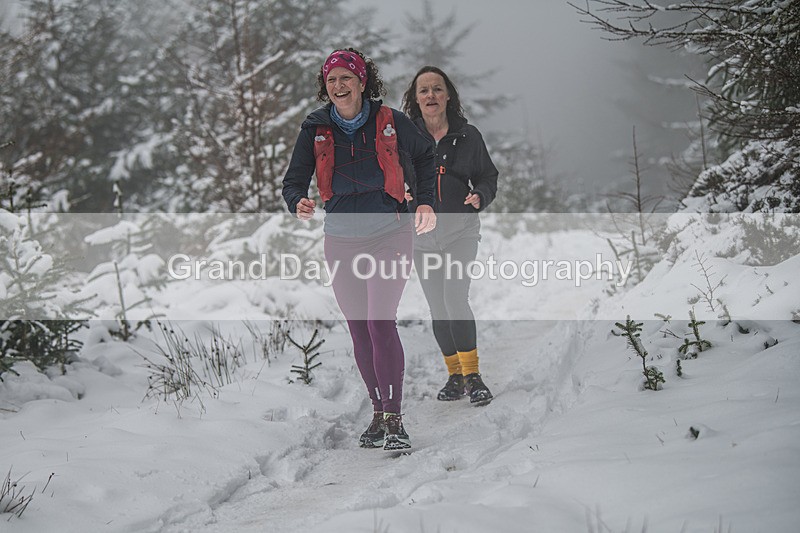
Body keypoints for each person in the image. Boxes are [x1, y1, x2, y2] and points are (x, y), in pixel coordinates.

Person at [282, 48, 437, 450]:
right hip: (340, 238)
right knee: (359, 330)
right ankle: (378, 412)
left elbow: (425, 157)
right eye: (331, 80)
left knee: (379, 322)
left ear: (362, 81)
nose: (339, 86)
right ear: (325, 85)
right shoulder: (314, 129)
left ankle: (395, 420)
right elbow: (293, 180)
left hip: (390, 231)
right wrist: (297, 199)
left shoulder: (392, 121)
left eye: (346, 78)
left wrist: (423, 199)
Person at [401, 66, 499, 406]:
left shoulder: (469, 136)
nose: (431, 95)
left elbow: (488, 176)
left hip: (461, 232)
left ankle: (473, 376)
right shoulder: (404, 138)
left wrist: (480, 196)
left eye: (437, 89)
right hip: (422, 236)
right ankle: (454, 376)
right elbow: (391, 179)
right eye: (423, 90)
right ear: (415, 99)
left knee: (455, 299)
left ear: (448, 96)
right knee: (438, 308)